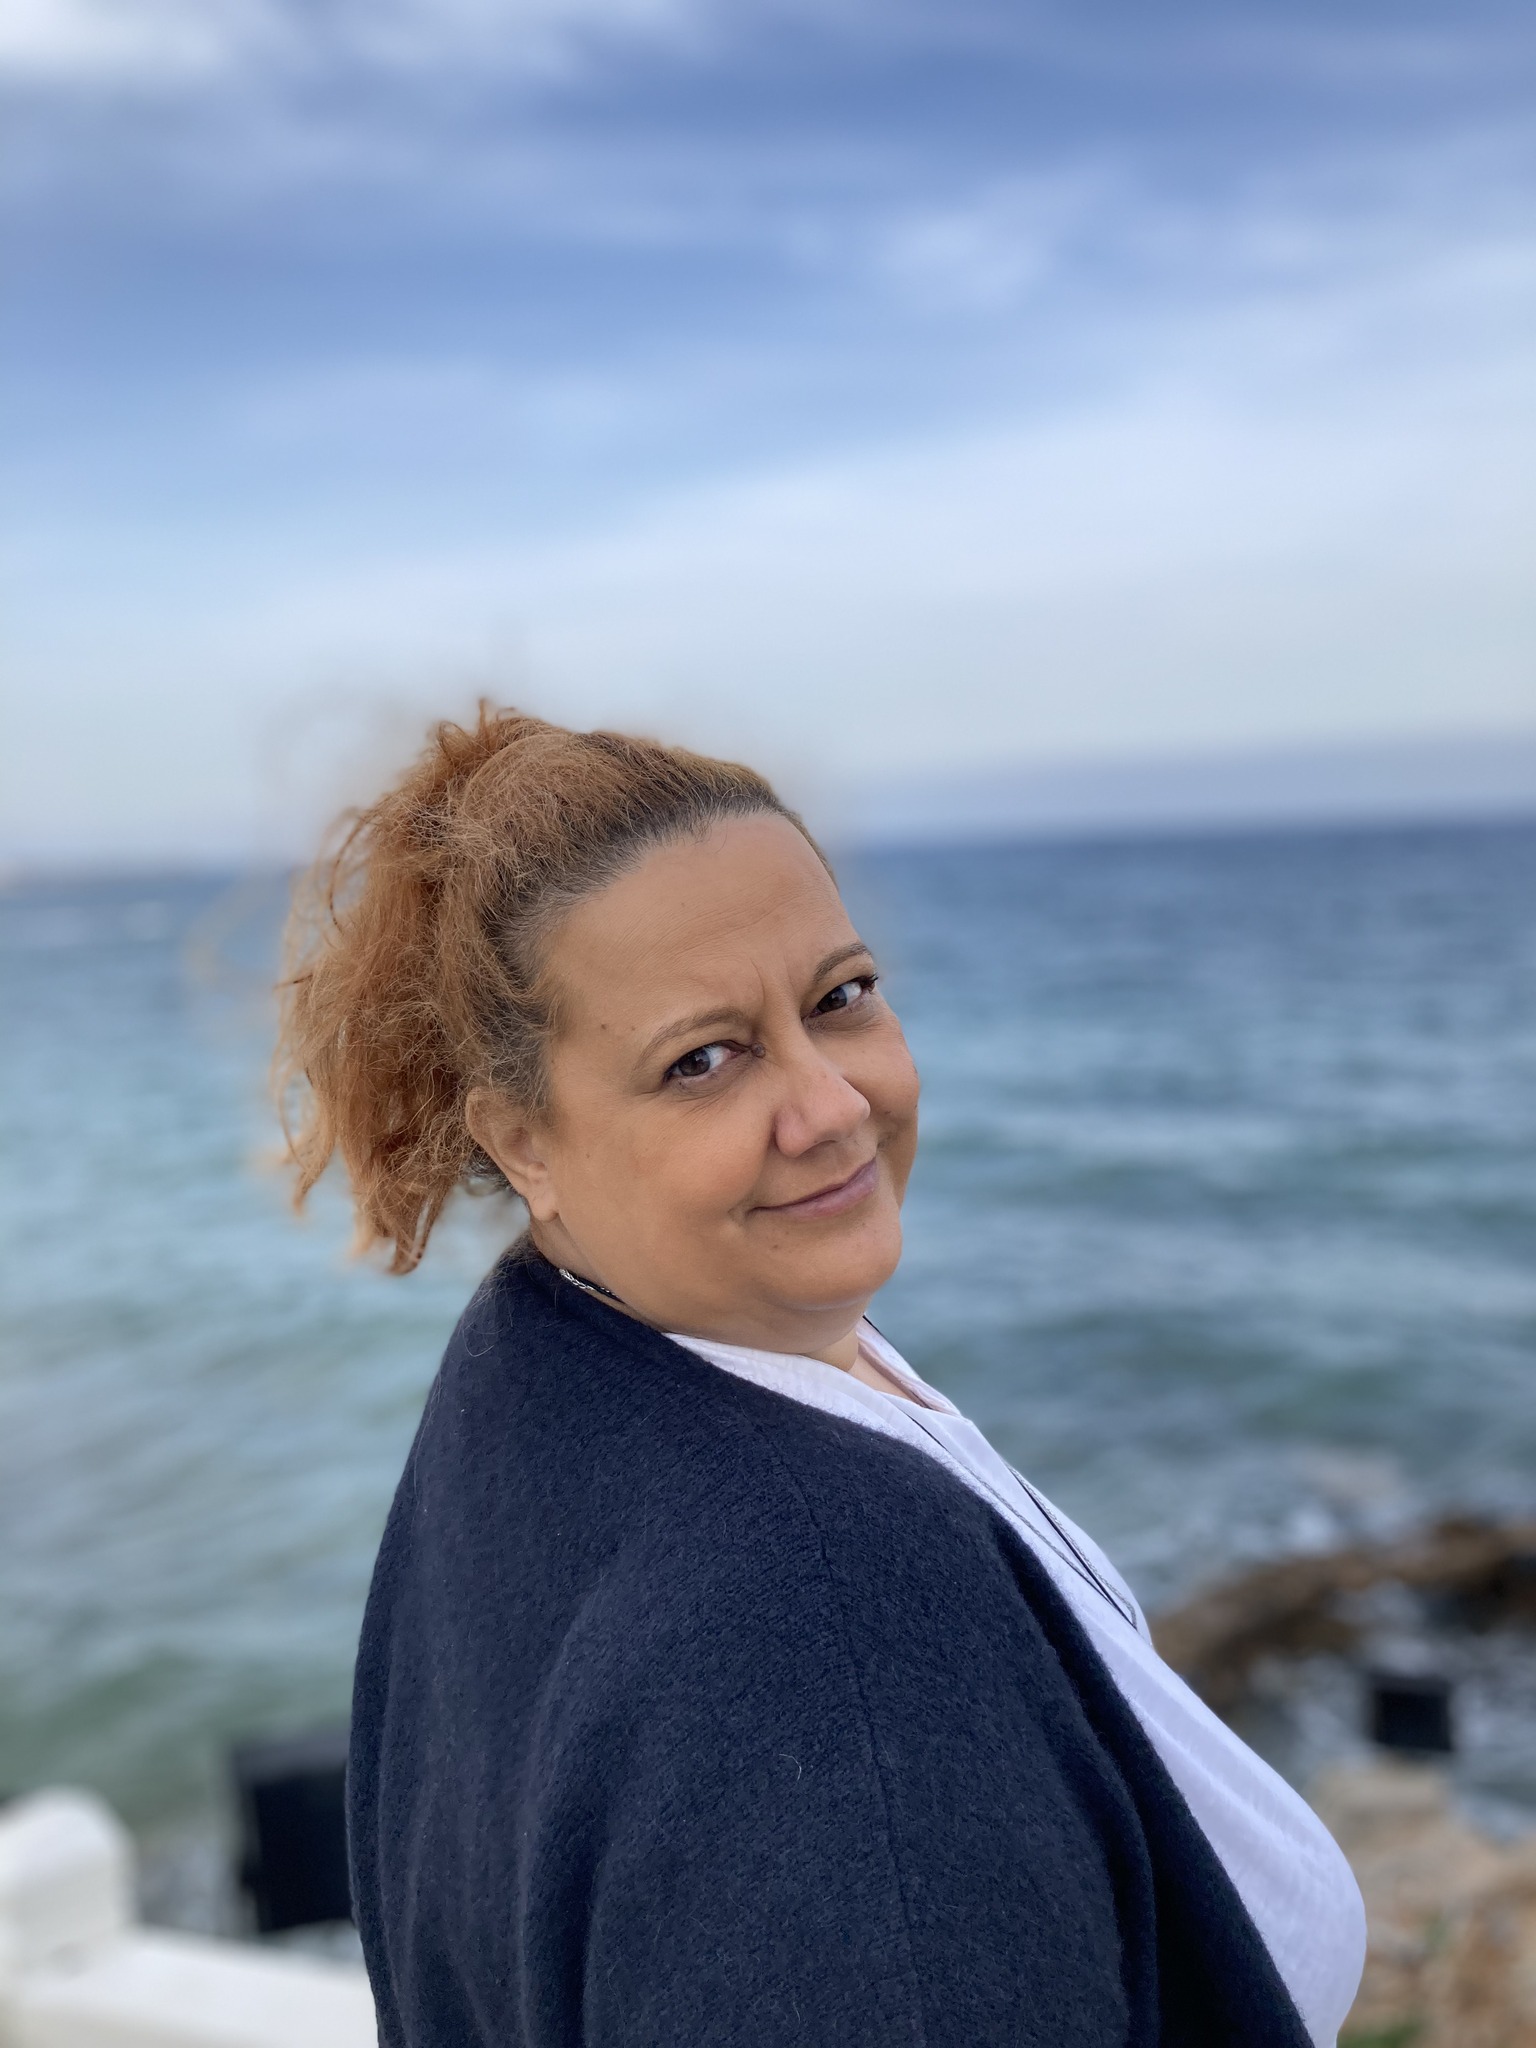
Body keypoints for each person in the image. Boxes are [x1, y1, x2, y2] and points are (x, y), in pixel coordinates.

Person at [276, 705, 1365, 2047]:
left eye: (840, 997)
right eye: (702, 1060)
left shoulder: (532, 1374)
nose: (834, 1105)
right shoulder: (830, 1622)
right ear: (525, 1142)